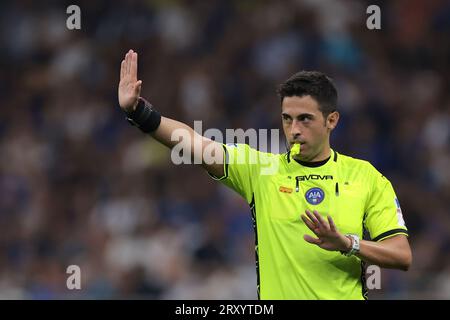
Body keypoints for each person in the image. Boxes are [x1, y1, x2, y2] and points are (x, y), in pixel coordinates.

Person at [118, 49, 412, 300]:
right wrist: (139, 112)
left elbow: (401, 256)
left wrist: (349, 244)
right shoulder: (262, 170)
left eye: (305, 119)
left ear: (331, 120)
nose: (294, 129)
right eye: (287, 118)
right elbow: (196, 143)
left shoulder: (365, 176)